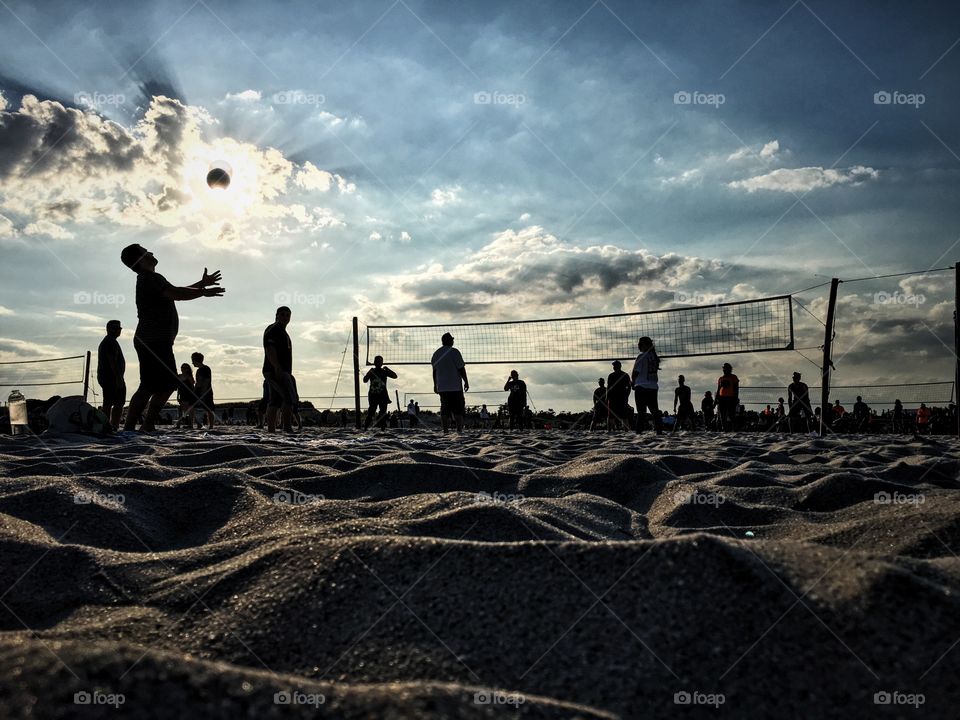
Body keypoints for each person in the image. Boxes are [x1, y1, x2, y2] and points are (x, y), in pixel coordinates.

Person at [119, 244, 224, 432]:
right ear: (140, 259)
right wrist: (203, 292)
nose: (151, 252)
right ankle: (140, 425)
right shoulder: (149, 278)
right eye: (146, 251)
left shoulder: (150, 279)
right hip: (153, 341)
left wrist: (201, 285)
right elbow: (177, 293)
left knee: (155, 384)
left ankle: (139, 425)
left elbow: (176, 291)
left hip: (153, 340)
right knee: (159, 384)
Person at [262, 306, 295, 433]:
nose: (285, 317)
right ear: (277, 315)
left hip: (281, 370)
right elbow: (269, 349)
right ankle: (286, 427)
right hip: (275, 370)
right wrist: (277, 367)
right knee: (288, 398)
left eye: (287, 315)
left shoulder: (282, 331)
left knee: (275, 400)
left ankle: (272, 429)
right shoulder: (274, 329)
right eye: (282, 314)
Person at [431, 332, 469, 432]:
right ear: (449, 341)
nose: (453, 341)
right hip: (455, 387)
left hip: (442, 387)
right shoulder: (455, 352)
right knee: (458, 410)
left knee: (444, 410)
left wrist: (435, 385)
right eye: (452, 339)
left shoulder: (436, 353)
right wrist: (466, 381)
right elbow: (461, 369)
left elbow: (434, 372)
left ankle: (445, 431)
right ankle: (459, 430)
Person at [97, 319, 126, 429]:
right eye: (116, 328)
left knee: (109, 402)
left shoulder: (110, 341)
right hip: (111, 378)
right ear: (109, 329)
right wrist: (118, 378)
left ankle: (109, 426)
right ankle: (112, 426)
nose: (118, 331)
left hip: (108, 377)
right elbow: (112, 361)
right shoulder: (110, 342)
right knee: (116, 402)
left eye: (119, 328)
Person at [631, 336, 663, 434]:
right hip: (653, 387)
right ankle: (659, 431)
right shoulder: (654, 357)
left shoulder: (641, 356)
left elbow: (635, 372)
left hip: (641, 386)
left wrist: (632, 382)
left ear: (645, 345)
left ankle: (639, 432)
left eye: (640, 344)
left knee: (641, 413)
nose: (638, 346)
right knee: (654, 411)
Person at [364, 355, 397, 430]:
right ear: (374, 362)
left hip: (383, 395)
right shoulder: (372, 371)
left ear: (382, 363)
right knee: (371, 412)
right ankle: (365, 428)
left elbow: (395, 376)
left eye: (380, 361)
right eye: (377, 361)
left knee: (383, 413)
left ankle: (383, 429)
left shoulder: (384, 371)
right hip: (373, 395)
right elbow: (365, 380)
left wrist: (388, 369)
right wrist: (369, 373)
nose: (378, 363)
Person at [190, 352, 215, 429]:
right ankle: (198, 424)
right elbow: (198, 383)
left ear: (196, 360)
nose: (192, 363)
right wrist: (194, 391)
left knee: (209, 408)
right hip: (198, 392)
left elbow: (206, 381)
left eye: (193, 360)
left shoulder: (205, 369)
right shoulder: (199, 370)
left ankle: (211, 426)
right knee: (193, 407)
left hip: (205, 392)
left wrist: (203, 393)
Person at [607, 361, 632, 432]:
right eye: (614, 366)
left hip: (622, 397)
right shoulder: (611, 375)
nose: (614, 367)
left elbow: (629, 386)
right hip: (613, 398)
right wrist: (607, 396)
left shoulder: (625, 375)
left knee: (624, 416)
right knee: (611, 416)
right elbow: (608, 387)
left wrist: (627, 395)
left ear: (619, 366)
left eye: (615, 366)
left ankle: (626, 431)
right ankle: (609, 431)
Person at [716, 363, 739, 431]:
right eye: (723, 368)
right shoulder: (721, 378)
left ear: (730, 369)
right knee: (722, 415)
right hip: (721, 398)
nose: (724, 370)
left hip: (731, 398)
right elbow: (718, 389)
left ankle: (734, 428)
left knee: (731, 415)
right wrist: (716, 400)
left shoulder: (733, 377)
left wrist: (736, 398)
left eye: (726, 368)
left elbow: (736, 388)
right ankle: (725, 429)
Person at [175, 363, 195, 429]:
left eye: (185, 368)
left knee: (189, 410)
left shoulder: (189, 376)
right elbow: (178, 387)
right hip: (182, 394)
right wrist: (177, 396)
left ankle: (190, 425)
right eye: (182, 367)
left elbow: (192, 386)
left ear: (187, 369)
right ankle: (178, 425)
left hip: (189, 394)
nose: (183, 369)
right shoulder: (179, 376)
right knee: (180, 409)